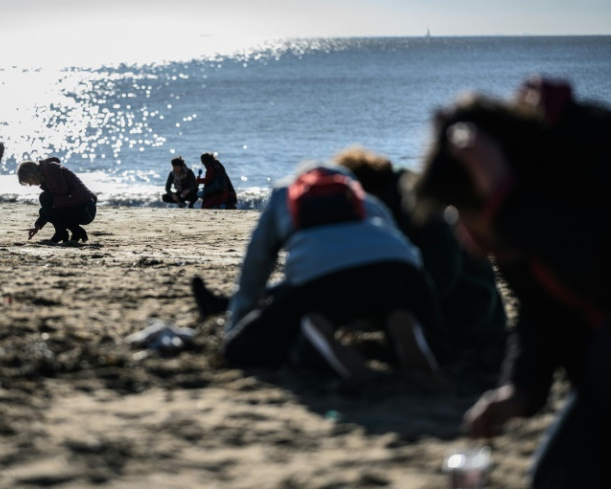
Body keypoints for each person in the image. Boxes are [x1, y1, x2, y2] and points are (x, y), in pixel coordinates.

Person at [413, 77, 611, 488]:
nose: (468, 242)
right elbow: (541, 309)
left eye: (470, 214)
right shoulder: (518, 223)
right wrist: (520, 390)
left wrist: (507, 204)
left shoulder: (593, 161)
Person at [221, 163, 447, 379]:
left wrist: (237, 326)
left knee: (242, 349)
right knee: (411, 319)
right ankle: (400, 320)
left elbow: (254, 271)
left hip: (322, 279)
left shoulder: (283, 194)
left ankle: (319, 330)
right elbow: (403, 247)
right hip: (401, 271)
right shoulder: (364, 197)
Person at [333, 146, 506, 348]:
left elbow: (444, 271)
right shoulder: (392, 199)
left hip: (471, 308)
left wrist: (398, 313)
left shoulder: (419, 204)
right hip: (454, 303)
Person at [17, 157, 97, 243]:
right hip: (79, 208)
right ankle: (74, 232)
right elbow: (50, 208)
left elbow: (63, 190)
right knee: (47, 204)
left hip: (86, 210)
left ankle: (64, 233)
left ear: (31, 174)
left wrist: (48, 212)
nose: (30, 184)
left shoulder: (50, 169)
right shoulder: (46, 175)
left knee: (44, 198)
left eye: (28, 181)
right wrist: (38, 226)